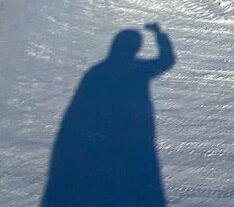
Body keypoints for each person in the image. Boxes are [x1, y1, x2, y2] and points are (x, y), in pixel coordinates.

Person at [42, 23, 176, 207]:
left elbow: (78, 110)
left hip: (102, 140)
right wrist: (159, 34)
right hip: (133, 139)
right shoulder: (138, 70)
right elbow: (166, 60)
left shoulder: (97, 73)